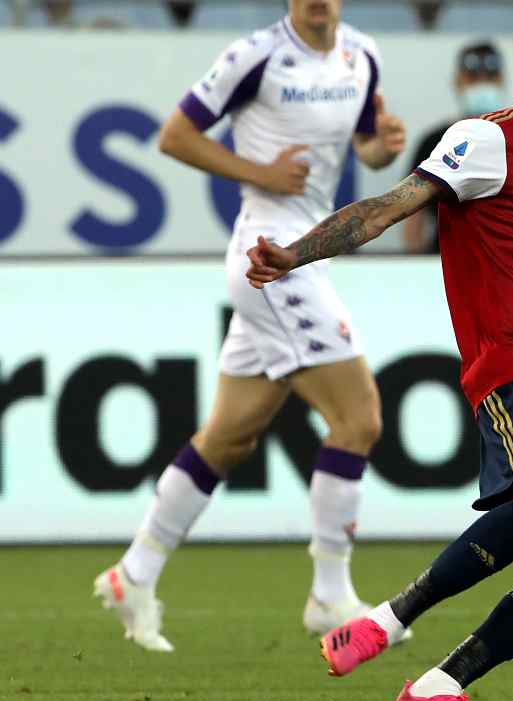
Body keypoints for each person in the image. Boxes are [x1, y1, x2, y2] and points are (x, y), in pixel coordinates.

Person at [244, 7, 513, 701]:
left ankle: (439, 686)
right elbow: (392, 205)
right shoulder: (486, 141)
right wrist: (296, 254)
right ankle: (390, 620)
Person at [91, 0, 406, 653]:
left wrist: (382, 150)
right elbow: (175, 135)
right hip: (271, 256)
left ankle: (134, 572)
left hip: (305, 250)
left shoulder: (363, 54)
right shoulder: (255, 55)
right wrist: (258, 172)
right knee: (360, 419)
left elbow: (365, 152)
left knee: (227, 439)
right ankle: (328, 595)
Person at [401, 41, 507, 252]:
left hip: (503, 262)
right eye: (473, 78)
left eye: (489, 78)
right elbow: (413, 217)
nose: (481, 84)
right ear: (458, 82)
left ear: (501, 81)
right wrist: (414, 267)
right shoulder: (433, 142)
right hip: (442, 260)